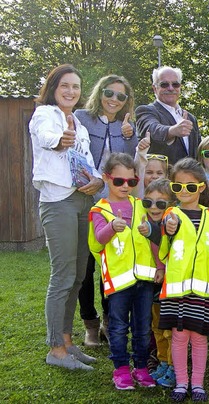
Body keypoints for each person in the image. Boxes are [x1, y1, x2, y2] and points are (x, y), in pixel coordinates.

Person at [30, 64, 104, 371]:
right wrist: (61, 138)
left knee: (77, 276)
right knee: (62, 276)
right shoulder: (44, 115)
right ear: (53, 88)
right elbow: (48, 137)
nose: (71, 91)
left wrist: (98, 180)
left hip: (83, 200)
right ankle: (55, 349)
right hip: (57, 202)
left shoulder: (82, 127)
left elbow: (88, 164)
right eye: (65, 86)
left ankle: (67, 342)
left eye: (76, 86)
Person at [75, 74, 138, 348]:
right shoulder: (81, 117)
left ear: (127, 101)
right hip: (85, 201)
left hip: (113, 206)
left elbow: (128, 168)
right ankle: (90, 322)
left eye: (121, 96)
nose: (114, 99)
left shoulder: (128, 127)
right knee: (85, 267)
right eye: (109, 93)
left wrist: (129, 137)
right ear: (99, 93)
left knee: (109, 265)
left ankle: (109, 323)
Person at [87, 153, 157, 390]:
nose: (126, 186)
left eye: (131, 181)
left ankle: (141, 367)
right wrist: (111, 227)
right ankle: (121, 369)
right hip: (118, 282)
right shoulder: (99, 209)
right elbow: (98, 239)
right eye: (119, 181)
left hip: (144, 280)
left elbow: (153, 239)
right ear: (107, 178)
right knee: (117, 327)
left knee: (143, 326)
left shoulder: (140, 205)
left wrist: (160, 265)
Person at [158, 158, 209, 402]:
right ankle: (181, 383)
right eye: (178, 187)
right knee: (179, 336)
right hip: (177, 291)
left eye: (191, 187)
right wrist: (169, 228)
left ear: (201, 188)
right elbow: (166, 241)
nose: (184, 191)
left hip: (203, 292)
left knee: (199, 338)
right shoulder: (170, 215)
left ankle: (197, 384)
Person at [140, 179, 177, 389]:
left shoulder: (173, 222)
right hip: (153, 283)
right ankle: (162, 361)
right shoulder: (144, 219)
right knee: (157, 326)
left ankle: (174, 366)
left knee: (170, 329)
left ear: (171, 203)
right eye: (149, 202)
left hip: (171, 283)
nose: (154, 207)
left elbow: (167, 247)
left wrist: (162, 268)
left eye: (161, 203)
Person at [135, 66, 201, 164]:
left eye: (175, 84)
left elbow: (198, 152)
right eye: (164, 84)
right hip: (161, 178)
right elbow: (152, 130)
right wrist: (172, 131)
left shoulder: (190, 118)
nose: (170, 88)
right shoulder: (146, 111)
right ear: (154, 88)